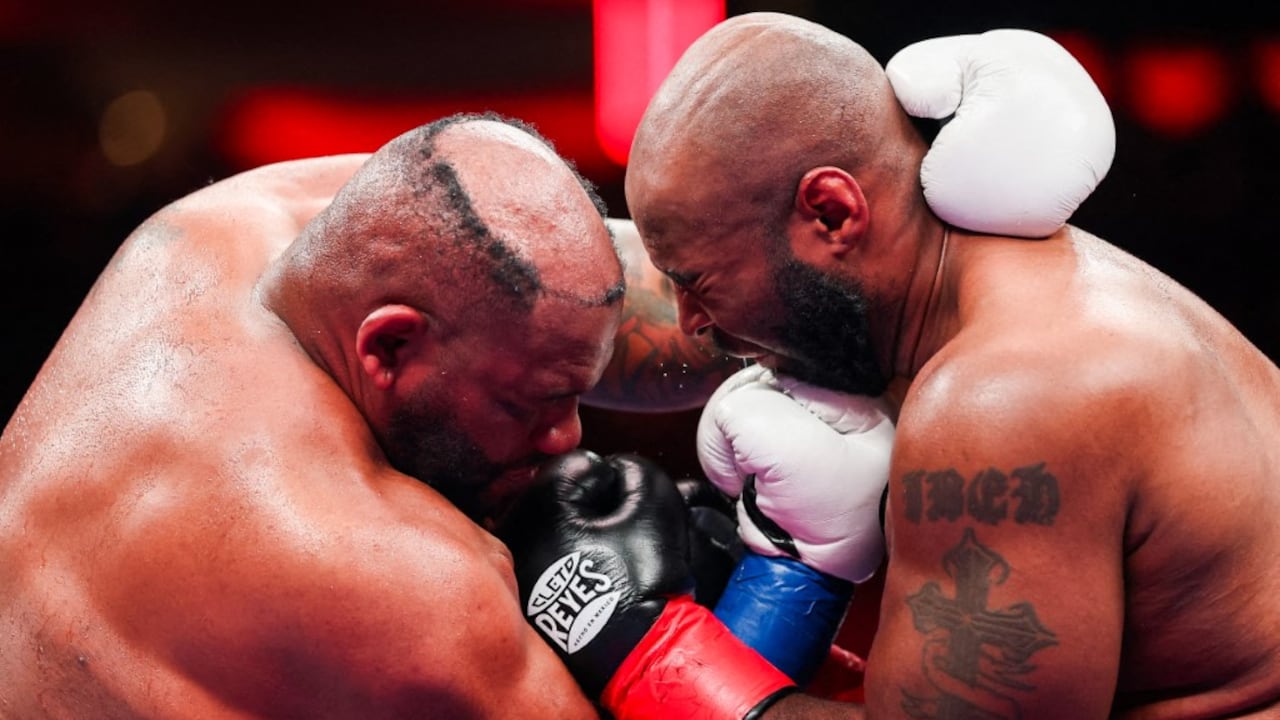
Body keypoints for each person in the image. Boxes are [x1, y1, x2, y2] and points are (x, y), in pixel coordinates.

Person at [506, 11, 1280, 720]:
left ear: (833, 214)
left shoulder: (1004, 401)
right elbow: (609, 299)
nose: (691, 325)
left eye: (698, 286)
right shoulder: (999, 288)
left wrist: (647, 650)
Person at [0, 112, 698, 718]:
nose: (569, 436)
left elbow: (610, 290)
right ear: (389, 347)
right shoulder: (387, 576)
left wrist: (800, 329)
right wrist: (642, 638)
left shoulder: (226, 226)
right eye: (529, 404)